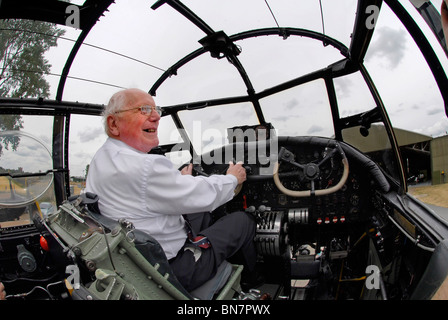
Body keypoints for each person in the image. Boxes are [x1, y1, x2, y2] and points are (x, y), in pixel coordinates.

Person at [85, 88, 257, 293]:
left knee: (201, 211)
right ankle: (253, 282)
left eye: (156, 109)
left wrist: (180, 182)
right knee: (242, 221)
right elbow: (206, 195)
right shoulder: (145, 166)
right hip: (173, 270)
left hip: (139, 261)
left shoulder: (102, 158)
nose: (156, 116)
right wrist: (232, 178)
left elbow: (149, 192)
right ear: (114, 124)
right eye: (144, 109)